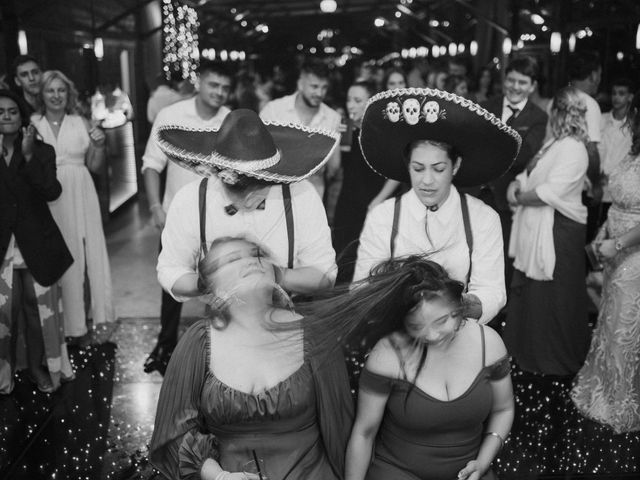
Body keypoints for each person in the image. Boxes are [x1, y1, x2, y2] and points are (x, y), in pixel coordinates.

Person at [149, 236, 353, 480]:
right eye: (233, 259)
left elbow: (341, 429)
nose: (251, 262)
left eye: (257, 254)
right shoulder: (198, 343)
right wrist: (219, 477)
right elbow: (175, 432)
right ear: (212, 288)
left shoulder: (316, 336)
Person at [355, 88, 522, 324]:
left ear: (455, 166)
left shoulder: (482, 218)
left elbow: (492, 291)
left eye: (439, 169)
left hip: (460, 334)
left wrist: (453, 306)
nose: (427, 181)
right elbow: (362, 288)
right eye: (418, 168)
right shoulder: (383, 217)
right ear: (407, 166)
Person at [341, 256, 514, 480]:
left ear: (457, 306)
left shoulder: (488, 344)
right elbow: (364, 433)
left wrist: (482, 462)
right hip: (398, 473)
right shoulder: (387, 355)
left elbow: (504, 409)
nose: (431, 336)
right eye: (416, 327)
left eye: (441, 321)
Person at [156, 108, 338, 304]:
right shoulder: (190, 200)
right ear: (219, 177)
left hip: (291, 313)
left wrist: (275, 275)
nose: (249, 202)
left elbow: (324, 275)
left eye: (258, 194)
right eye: (238, 195)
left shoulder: (302, 196)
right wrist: (207, 282)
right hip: (223, 321)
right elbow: (170, 270)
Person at [142, 60, 233, 375]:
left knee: (219, 287)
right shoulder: (171, 116)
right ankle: (165, 346)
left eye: (225, 87)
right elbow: (152, 164)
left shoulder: (230, 121)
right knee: (172, 286)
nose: (219, 93)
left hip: (220, 220)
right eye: (213, 85)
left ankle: (218, 354)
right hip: (178, 220)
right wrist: (155, 207)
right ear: (200, 82)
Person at [504, 86, 590, 376]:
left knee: (556, 299)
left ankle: (553, 360)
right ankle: (526, 351)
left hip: (559, 234)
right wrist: (517, 183)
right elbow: (528, 174)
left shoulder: (575, 149)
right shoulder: (553, 143)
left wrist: (518, 196)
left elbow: (550, 192)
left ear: (559, 113)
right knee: (533, 297)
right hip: (540, 228)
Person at [571, 91, 640, 433]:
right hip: (615, 245)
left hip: (635, 254)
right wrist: (603, 236)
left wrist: (621, 243)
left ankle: (624, 403)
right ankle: (606, 392)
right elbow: (620, 203)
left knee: (622, 326)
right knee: (611, 322)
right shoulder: (632, 151)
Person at [31, 70, 115, 345]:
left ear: (68, 94)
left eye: (61, 90)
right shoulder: (32, 123)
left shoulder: (80, 121)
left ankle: (81, 326)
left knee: (84, 254)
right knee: (53, 256)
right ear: (41, 95)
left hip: (80, 190)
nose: (56, 95)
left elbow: (94, 166)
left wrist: (99, 145)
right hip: (45, 193)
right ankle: (55, 325)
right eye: (50, 90)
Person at [0, 89, 74, 394]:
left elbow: (51, 192)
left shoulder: (42, 151)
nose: (5, 116)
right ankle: (6, 374)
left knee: (34, 307)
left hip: (36, 242)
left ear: (22, 116)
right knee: (7, 310)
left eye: (12, 111)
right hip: (3, 243)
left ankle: (37, 366)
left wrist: (29, 156)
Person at [466, 56, 548, 295]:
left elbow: (524, 155)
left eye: (522, 82)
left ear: (532, 86)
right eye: (511, 80)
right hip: (475, 192)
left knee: (498, 260)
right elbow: (472, 147)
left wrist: (488, 144)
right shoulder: (485, 107)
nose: (515, 86)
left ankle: (493, 313)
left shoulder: (538, 118)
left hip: (506, 200)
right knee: (468, 252)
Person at [333, 81, 397, 283]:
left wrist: (378, 201)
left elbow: (397, 172)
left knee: (372, 260)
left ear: (369, 102)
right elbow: (335, 169)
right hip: (348, 201)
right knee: (343, 258)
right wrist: (336, 138)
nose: (351, 105)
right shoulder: (347, 130)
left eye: (357, 100)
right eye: (349, 100)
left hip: (375, 200)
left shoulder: (382, 132)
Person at [260, 58, 342, 199]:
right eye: (314, 86)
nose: (320, 93)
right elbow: (258, 152)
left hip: (313, 196)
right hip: (274, 194)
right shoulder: (274, 110)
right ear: (300, 84)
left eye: (324, 87)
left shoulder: (332, 117)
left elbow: (334, 168)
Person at [567, 52, 603, 241]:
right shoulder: (589, 104)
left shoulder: (555, 100)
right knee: (583, 242)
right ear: (593, 76)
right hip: (580, 188)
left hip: (557, 185)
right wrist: (596, 185)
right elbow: (591, 150)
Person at [597, 77, 634, 224]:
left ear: (630, 97)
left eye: (621, 93)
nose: (616, 97)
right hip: (596, 185)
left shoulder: (635, 124)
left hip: (620, 189)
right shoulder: (601, 119)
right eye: (614, 93)